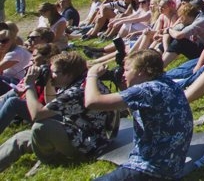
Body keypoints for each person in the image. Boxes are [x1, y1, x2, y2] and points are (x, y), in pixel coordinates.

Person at [0, 52, 116, 175]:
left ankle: (51, 160)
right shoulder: (79, 81)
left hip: (88, 143)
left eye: (54, 72)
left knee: (41, 127)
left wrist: (29, 85)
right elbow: (52, 105)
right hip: (77, 127)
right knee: (19, 139)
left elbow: (37, 114)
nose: (51, 75)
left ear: (69, 74)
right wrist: (48, 82)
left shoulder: (76, 92)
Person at [86, 49, 193, 180]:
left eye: (127, 70)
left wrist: (91, 75)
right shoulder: (166, 82)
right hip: (172, 167)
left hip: (150, 169)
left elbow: (92, 102)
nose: (123, 74)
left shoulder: (146, 90)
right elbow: (132, 104)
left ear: (141, 71)